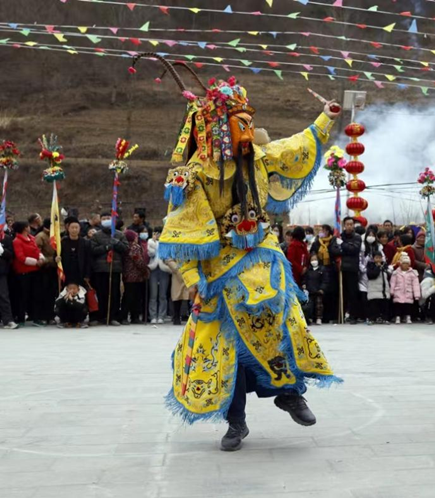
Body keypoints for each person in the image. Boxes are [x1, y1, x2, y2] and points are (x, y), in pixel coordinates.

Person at [138, 55, 341, 452]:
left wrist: (325, 118)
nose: (245, 131)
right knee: (224, 348)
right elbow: (184, 235)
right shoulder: (196, 176)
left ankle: (290, 392)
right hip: (218, 270)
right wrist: (193, 279)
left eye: (247, 122)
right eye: (237, 123)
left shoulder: (260, 158)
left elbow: (295, 146)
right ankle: (236, 421)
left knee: (283, 317)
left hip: (262, 255)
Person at [90, 213, 129, 326]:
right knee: (101, 293)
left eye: (108, 218)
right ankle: (101, 316)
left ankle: (113, 316)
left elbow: (126, 248)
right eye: (104, 218)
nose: (106, 220)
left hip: (114, 268)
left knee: (114, 294)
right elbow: (92, 250)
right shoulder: (96, 235)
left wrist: (117, 243)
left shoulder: (119, 234)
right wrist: (106, 247)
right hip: (100, 269)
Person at [11, 221, 44, 327]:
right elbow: (21, 257)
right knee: (22, 296)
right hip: (23, 272)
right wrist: (35, 262)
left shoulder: (32, 238)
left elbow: (37, 251)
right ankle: (21, 318)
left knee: (36, 295)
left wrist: (41, 258)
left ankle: (36, 317)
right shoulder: (17, 241)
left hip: (35, 271)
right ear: (25, 228)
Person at [333, 217, 363, 324]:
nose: (349, 226)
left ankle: (353, 315)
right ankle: (340, 315)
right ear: (344, 225)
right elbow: (334, 250)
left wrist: (342, 245)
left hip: (352, 268)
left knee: (352, 293)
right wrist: (343, 249)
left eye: (351, 224)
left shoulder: (357, 237)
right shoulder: (339, 236)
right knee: (341, 293)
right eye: (347, 224)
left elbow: (354, 249)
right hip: (340, 268)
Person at [310, 224, 339, 323]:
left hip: (331, 269)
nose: (322, 232)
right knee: (320, 293)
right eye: (321, 230)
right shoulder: (316, 242)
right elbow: (312, 253)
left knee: (331, 293)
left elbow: (335, 252)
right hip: (319, 269)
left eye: (324, 230)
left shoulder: (333, 241)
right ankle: (318, 316)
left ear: (328, 232)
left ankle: (330, 316)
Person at [122, 228, 149, 324]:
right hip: (135, 275)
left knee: (127, 296)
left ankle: (124, 316)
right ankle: (134, 317)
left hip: (127, 274)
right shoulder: (135, 247)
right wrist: (145, 270)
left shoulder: (125, 246)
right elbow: (138, 261)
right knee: (135, 297)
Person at [34, 218, 59, 325]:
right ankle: (42, 316)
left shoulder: (55, 235)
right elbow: (37, 254)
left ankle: (50, 315)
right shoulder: (40, 236)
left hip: (53, 268)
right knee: (43, 293)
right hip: (44, 269)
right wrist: (51, 260)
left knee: (52, 293)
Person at [61, 216, 92, 291]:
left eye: (76, 227)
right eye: (72, 228)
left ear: (79, 229)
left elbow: (89, 260)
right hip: (67, 272)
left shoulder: (85, 243)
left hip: (80, 272)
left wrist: (87, 275)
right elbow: (57, 256)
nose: (74, 230)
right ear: (68, 229)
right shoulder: (63, 242)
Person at [147, 227, 170, 324]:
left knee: (163, 295)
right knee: (153, 294)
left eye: (159, 233)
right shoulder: (150, 242)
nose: (157, 235)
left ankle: (161, 316)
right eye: (155, 233)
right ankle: (153, 316)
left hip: (164, 269)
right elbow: (150, 254)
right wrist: (154, 243)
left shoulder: (167, 242)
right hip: (153, 269)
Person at [390, 253, 420, 324]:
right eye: (404, 263)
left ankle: (408, 317)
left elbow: (415, 285)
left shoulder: (413, 273)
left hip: (408, 292)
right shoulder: (396, 273)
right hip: (398, 292)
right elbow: (392, 283)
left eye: (407, 263)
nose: (405, 265)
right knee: (398, 306)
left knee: (407, 306)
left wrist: (416, 295)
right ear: (400, 264)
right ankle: (398, 317)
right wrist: (391, 291)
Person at [366, 251, 392, 324]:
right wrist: (377, 267)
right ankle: (372, 318)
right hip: (374, 289)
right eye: (376, 258)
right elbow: (372, 275)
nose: (378, 259)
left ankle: (384, 318)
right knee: (374, 305)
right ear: (373, 258)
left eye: (380, 258)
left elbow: (388, 275)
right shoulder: (370, 265)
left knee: (384, 305)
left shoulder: (385, 266)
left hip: (384, 289)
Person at [303, 254, 328, 326]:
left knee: (319, 305)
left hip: (318, 290)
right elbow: (305, 279)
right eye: (312, 260)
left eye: (315, 259)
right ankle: (310, 318)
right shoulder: (308, 270)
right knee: (309, 305)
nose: (314, 261)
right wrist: (304, 284)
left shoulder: (322, 269)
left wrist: (322, 288)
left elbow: (325, 280)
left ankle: (319, 318)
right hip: (310, 291)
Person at [0, 233, 17, 329]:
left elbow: (11, 254)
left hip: (1, 272)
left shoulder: (6, 238)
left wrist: (2, 251)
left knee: (4, 296)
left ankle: (8, 320)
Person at [165, 258, 189, 326]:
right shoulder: (173, 250)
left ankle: (191, 316)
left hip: (190, 272)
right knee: (177, 296)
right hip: (177, 274)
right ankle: (176, 316)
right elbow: (168, 259)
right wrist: (176, 268)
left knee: (191, 296)